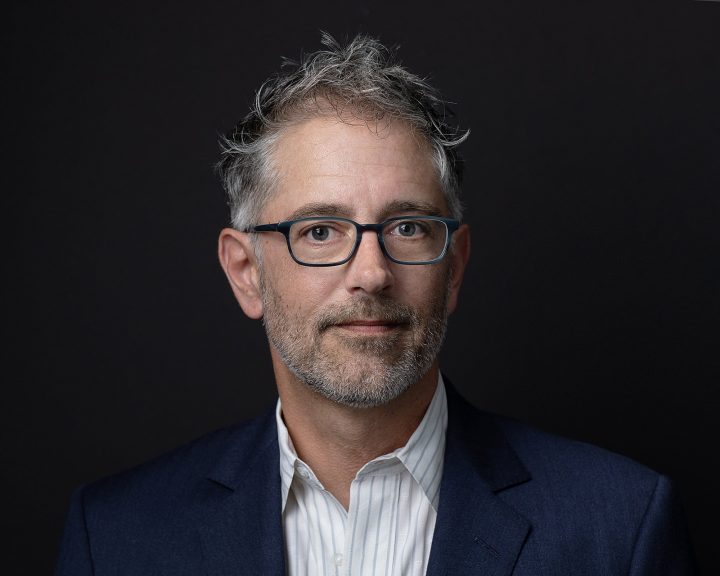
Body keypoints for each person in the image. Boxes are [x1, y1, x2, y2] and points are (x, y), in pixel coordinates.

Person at [55, 33, 697, 575]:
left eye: (409, 227)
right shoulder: (115, 539)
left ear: (454, 267)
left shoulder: (621, 529)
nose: (371, 272)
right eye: (319, 231)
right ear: (246, 272)